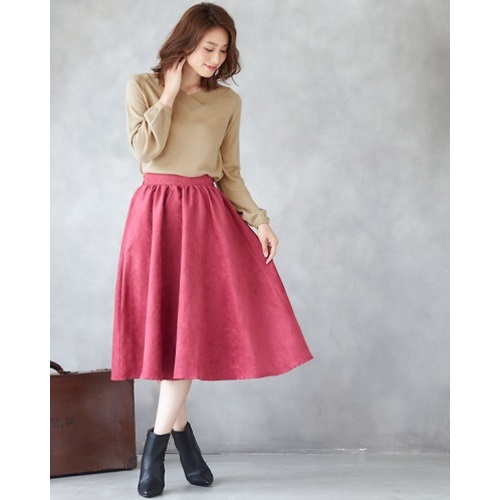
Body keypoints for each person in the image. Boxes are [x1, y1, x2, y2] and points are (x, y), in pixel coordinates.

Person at [111, 3, 313, 497]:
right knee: (165, 332)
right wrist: (169, 94)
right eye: (208, 48)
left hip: (203, 218)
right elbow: (145, 151)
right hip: (154, 215)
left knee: (187, 333)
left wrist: (260, 220)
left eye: (223, 51)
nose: (216, 59)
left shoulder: (227, 102)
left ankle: (155, 448)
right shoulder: (141, 86)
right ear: (186, 44)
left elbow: (229, 172)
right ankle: (185, 444)